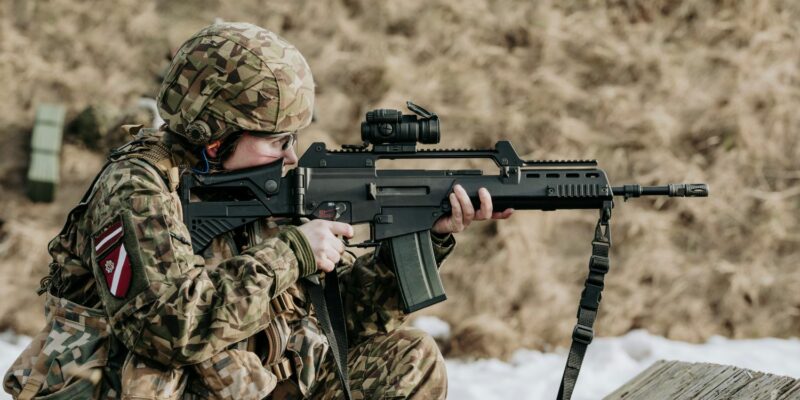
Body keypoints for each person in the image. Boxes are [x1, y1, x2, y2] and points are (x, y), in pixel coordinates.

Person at [3, 22, 512, 399]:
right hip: (140, 386)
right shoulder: (139, 187)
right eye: (276, 140)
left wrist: (428, 232)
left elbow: (347, 316)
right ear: (214, 132)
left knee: (410, 358)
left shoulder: (257, 183)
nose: (290, 155)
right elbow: (166, 327)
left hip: (254, 384)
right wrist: (292, 251)